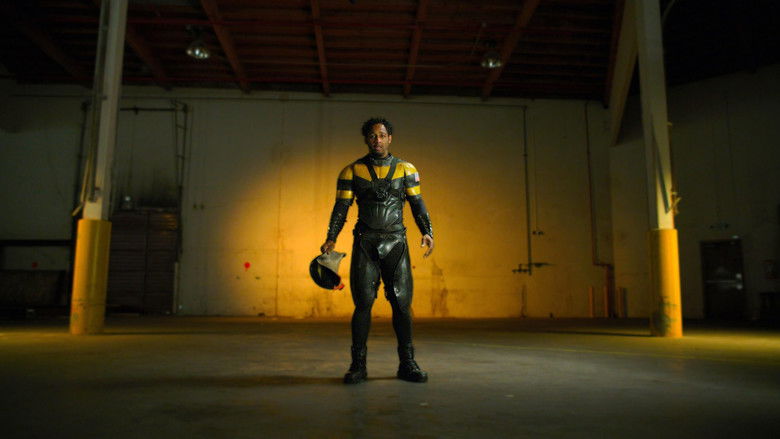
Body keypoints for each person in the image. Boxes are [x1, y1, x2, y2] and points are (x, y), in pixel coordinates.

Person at [320, 117, 434, 384]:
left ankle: (408, 363)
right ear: (366, 139)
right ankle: (358, 365)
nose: (377, 140)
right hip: (365, 243)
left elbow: (417, 202)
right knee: (362, 305)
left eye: (382, 135)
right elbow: (341, 208)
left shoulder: (406, 169)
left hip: (396, 244)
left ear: (390, 138)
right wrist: (331, 238)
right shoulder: (351, 171)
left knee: (402, 305)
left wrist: (427, 231)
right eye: (373, 136)